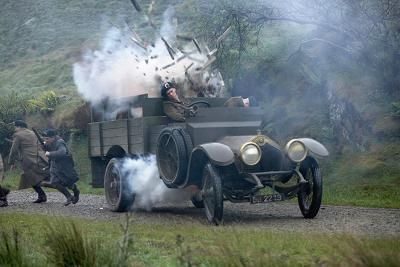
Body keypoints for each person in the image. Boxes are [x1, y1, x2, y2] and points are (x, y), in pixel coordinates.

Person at [8, 120, 49, 203]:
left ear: (19, 126)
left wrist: (11, 162)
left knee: (32, 178)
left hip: (28, 159)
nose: (14, 128)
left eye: (15, 126)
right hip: (40, 157)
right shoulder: (32, 133)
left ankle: (43, 195)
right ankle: (42, 196)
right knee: (37, 177)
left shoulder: (17, 135)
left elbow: (14, 151)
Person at [43, 129, 80, 206]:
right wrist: (44, 145)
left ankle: (76, 191)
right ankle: (69, 197)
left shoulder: (60, 142)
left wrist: (49, 153)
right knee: (54, 182)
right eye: (45, 139)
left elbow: (62, 152)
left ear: (53, 137)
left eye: (47, 138)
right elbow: (48, 147)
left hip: (64, 166)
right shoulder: (50, 142)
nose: (46, 140)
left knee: (68, 183)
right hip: (54, 165)